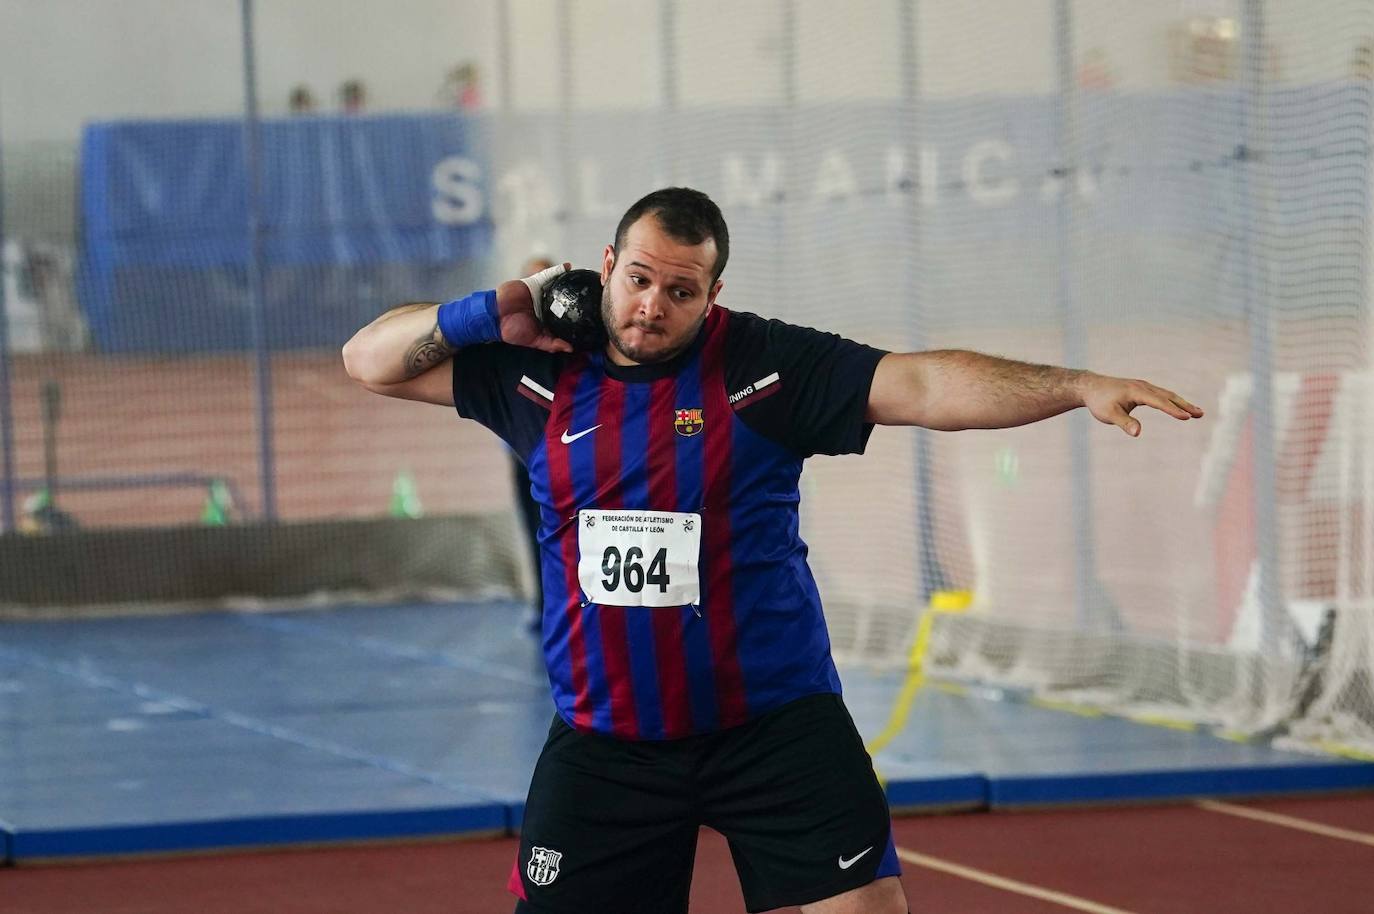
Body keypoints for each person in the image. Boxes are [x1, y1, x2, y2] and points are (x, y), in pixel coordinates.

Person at [342, 187, 1204, 914]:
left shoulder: (764, 365)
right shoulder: (536, 370)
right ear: (605, 267)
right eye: (638, 280)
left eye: (681, 292)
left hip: (774, 728)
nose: (653, 306)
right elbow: (368, 361)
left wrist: (1075, 386)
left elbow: (925, 382)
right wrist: (493, 309)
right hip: (609, 740)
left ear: (713, 294)